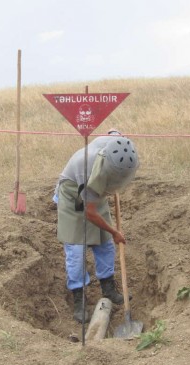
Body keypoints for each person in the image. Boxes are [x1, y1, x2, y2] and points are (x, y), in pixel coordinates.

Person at [53, 130, 139, 323]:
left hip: (94, 196)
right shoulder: (87, 169)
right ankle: (79, 299)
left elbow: (114, 132)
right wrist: (114, 231)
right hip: (73, 195)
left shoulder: (116, 144)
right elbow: (89, 212)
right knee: (76, 251)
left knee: (105, 244)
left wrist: (110, 234)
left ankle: (108, 289)